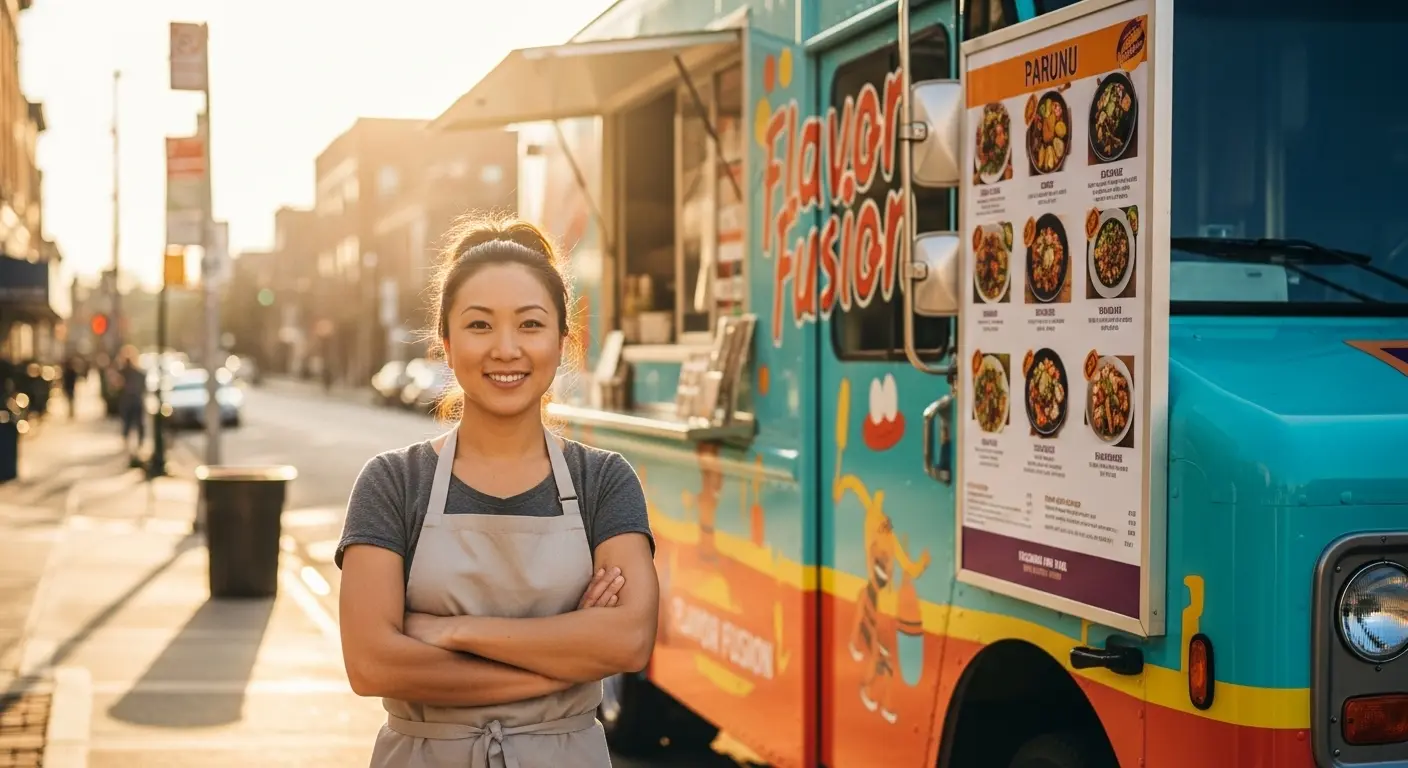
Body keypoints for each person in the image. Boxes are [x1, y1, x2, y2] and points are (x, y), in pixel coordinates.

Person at [336, 214, 657, 767]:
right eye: (480, 325)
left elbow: (628, 641)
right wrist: (566, 654)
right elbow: (371, 665)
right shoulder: (392, 483)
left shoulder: (604, 481)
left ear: (563, 340)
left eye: (530, 325)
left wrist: (451, 630)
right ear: (445, 343)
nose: (505, 349)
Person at [114, 347, 146, 458]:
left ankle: (134, 442)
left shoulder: (127, 373)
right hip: (132, 400)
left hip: (131, 400)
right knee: (133, 423)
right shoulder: (131, 373)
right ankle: (135, 442)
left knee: (131, 422)